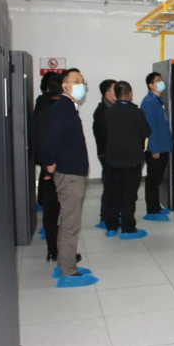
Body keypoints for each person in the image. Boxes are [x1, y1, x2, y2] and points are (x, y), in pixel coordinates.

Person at [42, 68, 97, 286]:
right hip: (69, 174)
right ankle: (68, 271)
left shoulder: (69, 108)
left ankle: (64, 264)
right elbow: (49, 140)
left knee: (68, 220)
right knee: (70, 222)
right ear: (65, 86)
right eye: (76, 81)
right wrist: (49, 163)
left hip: (73, 171)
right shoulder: (61, 109)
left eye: (82, 81)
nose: (81, 84)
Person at [104, 81, 151, 239]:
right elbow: (146, 131)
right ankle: (128, 228)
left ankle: (111, 226)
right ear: (130, 94)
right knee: (129, 195)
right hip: (132, 159)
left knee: (113, 193)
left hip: (112, 158)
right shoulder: (136, 112)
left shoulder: (109, 112)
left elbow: (105, 132)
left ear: (116, 95)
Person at [32, 73, 63, 261]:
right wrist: (48, 166)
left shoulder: (41, 107)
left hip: (48, 165)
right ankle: (58, 250)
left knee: (51, 211)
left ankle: (53, 250)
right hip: (58, 167)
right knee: (60, 211)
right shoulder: (57, 112)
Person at [141, 72, 173, 221]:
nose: (161, 82)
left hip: (163, 145)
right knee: (153, 179)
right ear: (151, 85)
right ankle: (152, 210)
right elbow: (150, 128)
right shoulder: (148, 102)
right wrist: (154, 149)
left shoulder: (159, 100)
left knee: (158, 178)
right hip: (156, 148)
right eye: (158, 80)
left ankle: (156, 206)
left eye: (161, 79)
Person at [92, 79, 116, 228]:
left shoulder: (114, 108)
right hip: (107, 154)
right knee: (110, 186)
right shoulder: (102, 111)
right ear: (107, 93)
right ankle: (105, 217)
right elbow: (105, 135)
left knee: (115, 186)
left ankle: (113, 214)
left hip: (114, 153)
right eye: (115, 89)